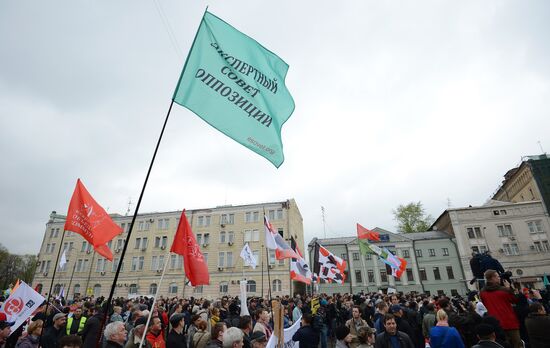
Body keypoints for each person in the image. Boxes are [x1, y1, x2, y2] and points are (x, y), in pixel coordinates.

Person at [479, 270, 521, 348]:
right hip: (510, 322)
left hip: (496, 324)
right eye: (498, 276)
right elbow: (516, 299)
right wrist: (509, 288)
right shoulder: (504, 290)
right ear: (493, 278)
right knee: (517, 344)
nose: (499, 278)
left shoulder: (482, 292)